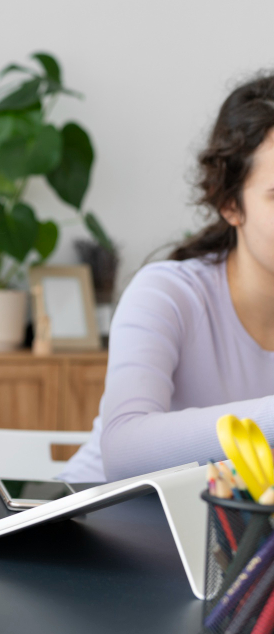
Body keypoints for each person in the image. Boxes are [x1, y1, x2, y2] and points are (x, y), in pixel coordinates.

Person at [60, 73, 274, 483]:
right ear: (230, 203)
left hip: (228, 537)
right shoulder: (169, 294)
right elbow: (123, 451)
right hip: (95, 522)